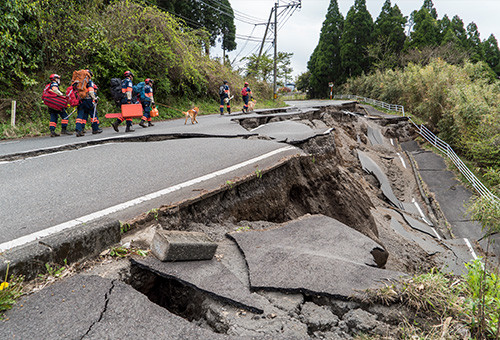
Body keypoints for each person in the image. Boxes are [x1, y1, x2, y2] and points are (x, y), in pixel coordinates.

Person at [75, 69, 102, 137]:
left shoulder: (79, 82)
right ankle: (95, 129)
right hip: (88, 100)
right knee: (93, 114)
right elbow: (91, 91)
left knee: (80, 115)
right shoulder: (89, 82)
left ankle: (79, 129)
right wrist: (94, 98)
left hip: (80, 100)